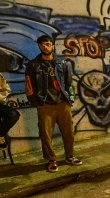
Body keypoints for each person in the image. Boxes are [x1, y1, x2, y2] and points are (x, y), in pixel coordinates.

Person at [25, 35, 82, 173]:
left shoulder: (63, 64)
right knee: (46, 134)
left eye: (48, 44)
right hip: (45, 104)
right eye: (42, 44)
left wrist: (70, 100)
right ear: (39, 46)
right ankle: (51, 160)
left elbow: (69, 84)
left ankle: (70, 156)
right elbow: (29, 86)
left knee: (69, 132)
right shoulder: (33, 65)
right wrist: (37, 104)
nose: (45, 46)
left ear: (53, 46)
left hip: (63, 103)